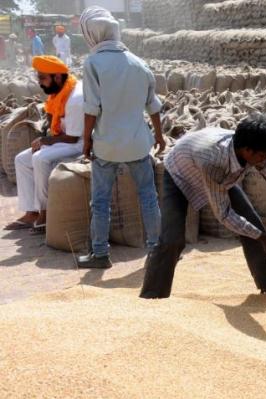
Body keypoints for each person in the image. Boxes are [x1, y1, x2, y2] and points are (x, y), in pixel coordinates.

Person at [139, 115, 266, 298]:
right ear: (248, 151)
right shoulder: (213, 161)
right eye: (263, 155)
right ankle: (153, 295)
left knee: (253, 223)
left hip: (220, 176)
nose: (265, 160)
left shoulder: (255, 151)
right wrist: (262, 237)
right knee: (172, 239)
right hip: (180, 174)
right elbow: (223, 214)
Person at [77, 6, 164, 269]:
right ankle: (157, 252)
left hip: (107, 145)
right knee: (148, 196)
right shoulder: (138, 63)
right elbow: (154, 105)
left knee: (101, 201)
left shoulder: (93, 63)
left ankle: (100, 254)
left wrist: (87, 140)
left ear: (93, 34)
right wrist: (159, 136)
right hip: (138, 143)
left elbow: (92, 108)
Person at [4, 56, 84, 233]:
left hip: (80, 142)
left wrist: (45, 141)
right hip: (64, 140)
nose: (40, 83)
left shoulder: (76, 98)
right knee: (22, 159)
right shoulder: (59, 91)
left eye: (42, 78)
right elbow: (54, 120)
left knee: (40, 158)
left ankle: (46, 212)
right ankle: (31, 212)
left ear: (56, 77)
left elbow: (73, 138)